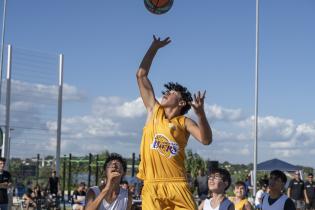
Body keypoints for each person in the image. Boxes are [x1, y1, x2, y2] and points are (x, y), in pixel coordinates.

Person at [136, 35, 212, 210]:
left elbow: (206, 140)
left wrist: (200, 114)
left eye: (171, 93)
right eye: (166, 91)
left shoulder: (184, 121)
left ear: (181, 102)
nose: (166, 93)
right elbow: (141, 75)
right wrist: (154, 47)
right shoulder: (153, 111)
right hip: (151, 185)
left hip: (177, 184)